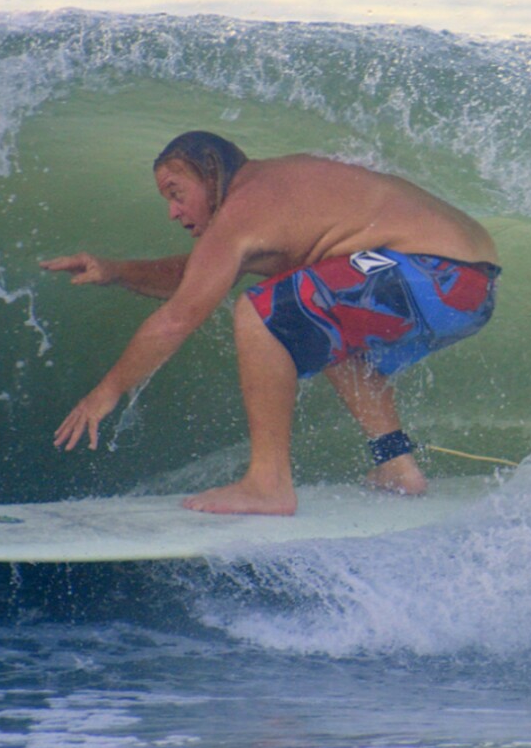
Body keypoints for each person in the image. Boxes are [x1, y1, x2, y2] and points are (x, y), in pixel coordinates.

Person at [42, 132, 500, 516]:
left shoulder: (245, 205)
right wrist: (118, 271)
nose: (173, 212)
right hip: (467, 289)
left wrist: (104, 393)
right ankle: (396, 464)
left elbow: (177, 318)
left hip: (435, 272)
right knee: (318, 319)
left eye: (177, 193)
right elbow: (196, 279)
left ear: (210, 171)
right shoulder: (270, 199)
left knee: (261, 310)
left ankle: (268, 483)